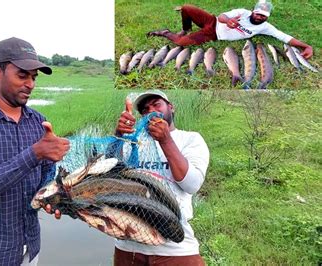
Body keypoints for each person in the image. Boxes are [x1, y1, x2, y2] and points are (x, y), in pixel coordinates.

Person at [0, 37, 70, 265]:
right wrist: (36, 153)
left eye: (33, 77)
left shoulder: (38, 122)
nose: (30, 83)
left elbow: (46, 178)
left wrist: (54, 198)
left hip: (30, 250)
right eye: (22, 75)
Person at [113, 90, 210, 266]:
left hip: (175, 248)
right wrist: (118, 136)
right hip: (128, 246)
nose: (150, 111)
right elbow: (110, 172)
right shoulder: (132, 143)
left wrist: (165, 141)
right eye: (145, 109)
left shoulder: (190, 139)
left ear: (170, 107)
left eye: (156, 104)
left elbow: (192, 184)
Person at [147, 1, 313, 59]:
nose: (259, 17)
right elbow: (221, 16)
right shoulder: (242, 12)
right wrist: (229, 20)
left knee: (181, 43)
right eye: (258, 14)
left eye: (263, 16)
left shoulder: (265, 27)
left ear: (267, 17)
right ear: (253, 11)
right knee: (187, 8)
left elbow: (285, 37)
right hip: (212, 22)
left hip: (212, 34)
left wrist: (306, 46)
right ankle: (185, 28)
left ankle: (166, 32)